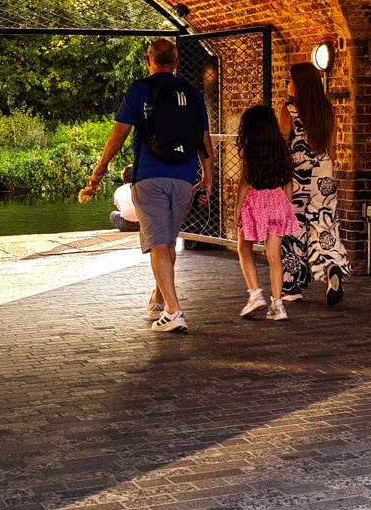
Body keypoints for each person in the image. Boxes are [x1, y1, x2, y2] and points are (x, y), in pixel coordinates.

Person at [82, 38, 214, 332]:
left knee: (157, 243)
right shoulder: (192, 93)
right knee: (167, 242)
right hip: (184, 177)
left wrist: (101, 167)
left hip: (150, 176)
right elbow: (204, 140)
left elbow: (119, 133)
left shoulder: (140, 89)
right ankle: (158, 299)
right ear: (176, 62)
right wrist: (208, 177)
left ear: (148, 60)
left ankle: (174, 311)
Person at [278, 61, 349, 306]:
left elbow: (282, 146)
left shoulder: (289, 110)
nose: (288, 84)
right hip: (324, 175)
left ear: (300, 84)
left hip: (297, 177)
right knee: (324, 226)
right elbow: (333, 148)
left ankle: (292, 287)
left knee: (293, 230)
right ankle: (331, 268)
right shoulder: (328, 110)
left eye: (290, 80)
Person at [234, 104, 299, 321]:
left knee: (244, 248)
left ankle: (255, 294)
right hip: (278, 200)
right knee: (274, 255)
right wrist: (286, 205)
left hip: (255, 201)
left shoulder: (250, 149)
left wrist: (238, 208)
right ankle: (278, 305)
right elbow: (288, 181)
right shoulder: (281, 148)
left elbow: (245, 182)